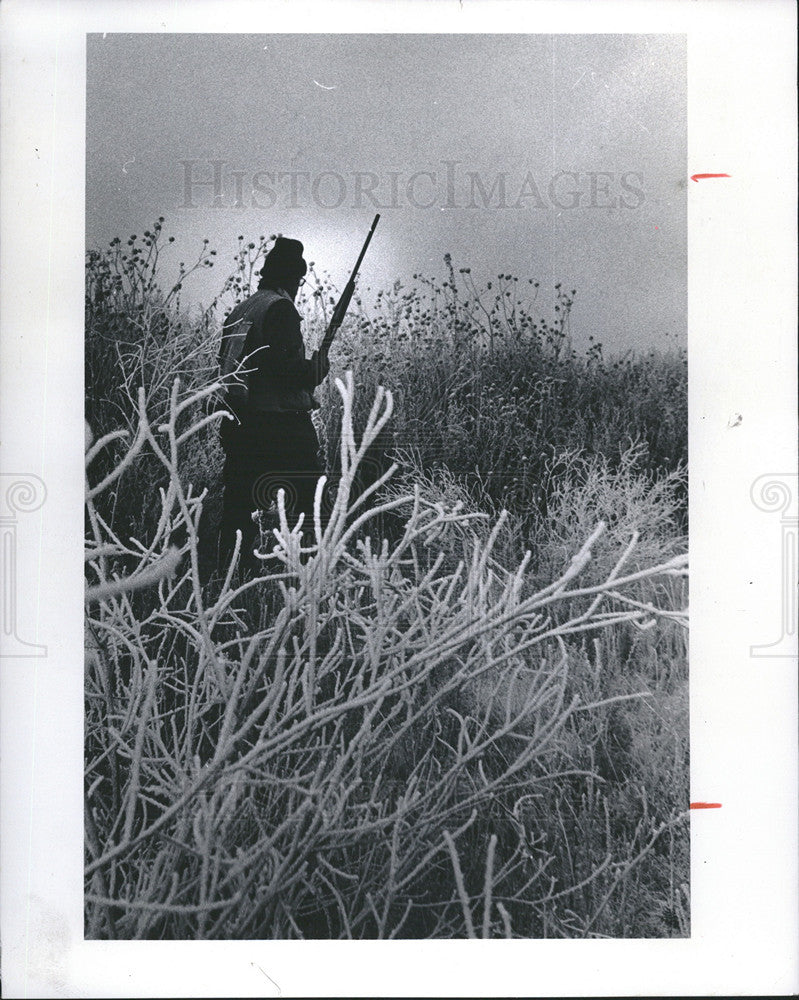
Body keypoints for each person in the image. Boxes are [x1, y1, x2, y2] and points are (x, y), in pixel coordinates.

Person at [217, 237, 329, 574]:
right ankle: (308, 575)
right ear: (291, 279)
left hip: (240, 423)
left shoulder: (241, 309)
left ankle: (230, 578)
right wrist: (315, 369)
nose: (297, 289)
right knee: (310, 502)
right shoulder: (279, 308)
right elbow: (285, 371)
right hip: (281, 426)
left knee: (238, 508)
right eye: (297, 282)